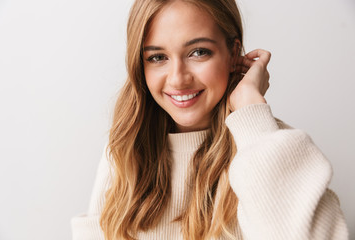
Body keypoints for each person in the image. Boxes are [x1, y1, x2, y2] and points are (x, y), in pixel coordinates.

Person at [71, 0, 349, 239]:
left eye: (198, 52)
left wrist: (250, 108)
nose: (178, 78)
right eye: (157, 57)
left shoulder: (268, 147)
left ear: (232, 53)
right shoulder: (123, 153)